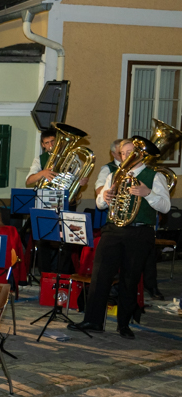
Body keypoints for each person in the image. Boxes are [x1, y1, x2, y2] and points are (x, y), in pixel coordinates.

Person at [69, 137, 170, 339]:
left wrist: (147, 193)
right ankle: (93, 320)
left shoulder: (154, 176)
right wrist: (104, 197)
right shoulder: (114, 174)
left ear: (141, 154)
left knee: (130, 278)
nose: (127, 156)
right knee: (100, 275)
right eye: (124, 153)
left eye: (132, 152)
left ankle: (124, 324)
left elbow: (165, 206)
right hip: (113, 229)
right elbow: (100, 205)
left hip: (140, 232)